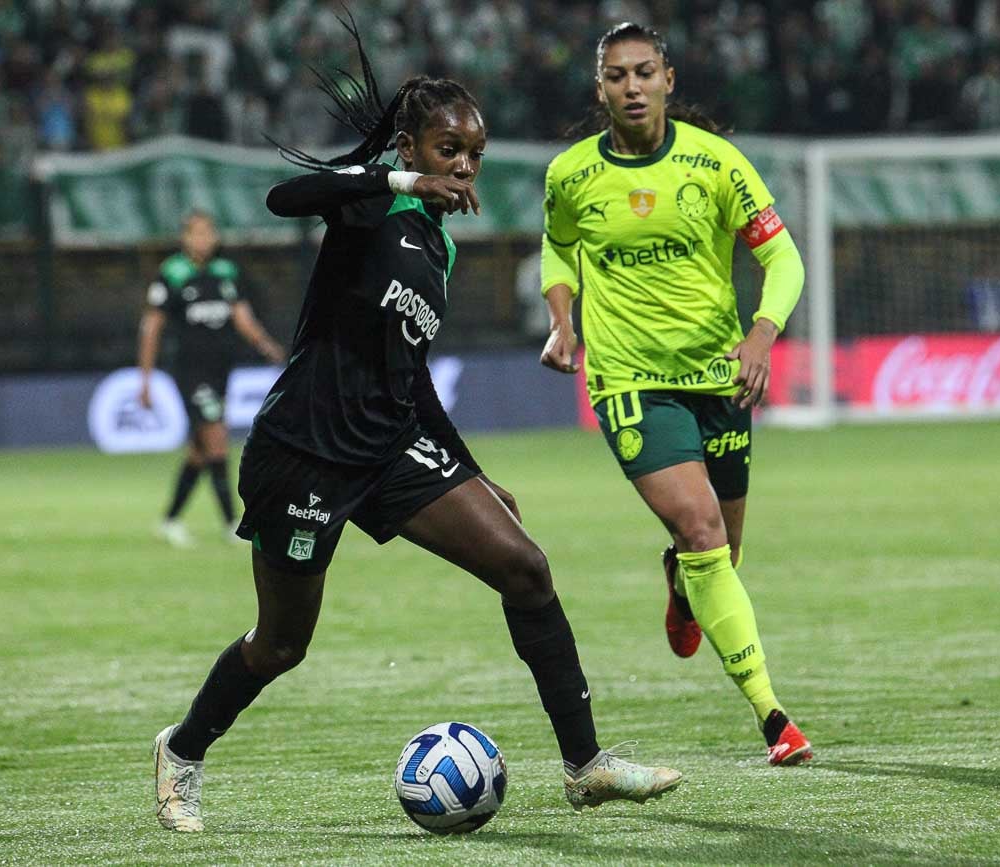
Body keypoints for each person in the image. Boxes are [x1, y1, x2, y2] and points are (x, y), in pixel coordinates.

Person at [152, 21, 681, 833]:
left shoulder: (435, 247)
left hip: (391, 444)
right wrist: (397, 179)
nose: (463, 165)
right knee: (281, 644)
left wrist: (471, 470)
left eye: (472, 152)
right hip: (304, 452)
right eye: (447, 149)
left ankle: (586, 765)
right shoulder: (369, 204)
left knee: (526, 567)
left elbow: (412, 376)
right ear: (411, 147)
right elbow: (283, 198)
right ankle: (182, 750)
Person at [538, 23, 812, 768]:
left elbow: (780, 253)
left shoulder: (715, 163)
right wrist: (563, 320)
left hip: (719, 377)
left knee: (725, 545)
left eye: (644, 72)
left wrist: (761, 333)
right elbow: (559, 245)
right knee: (702, 532)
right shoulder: (569, 174)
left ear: (667, 78)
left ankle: (684, 587)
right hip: (628, 382)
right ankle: (773, 716)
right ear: (600, 89)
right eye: (617, 76)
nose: (631, 87)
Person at [138, 210, 287, 547]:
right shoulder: (172, 274)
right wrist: (144, 379)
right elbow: (152, 327)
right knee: (217, 437)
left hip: (220, 371)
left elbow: (242, 318)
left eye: (208, 233)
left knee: (200, 450)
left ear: (215, 238)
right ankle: (233, 523)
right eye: (196, 234)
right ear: (184, 238)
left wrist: (267, 346)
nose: (202, 240)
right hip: (190, 372)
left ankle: (170, 520)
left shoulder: (226, 273)